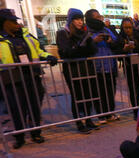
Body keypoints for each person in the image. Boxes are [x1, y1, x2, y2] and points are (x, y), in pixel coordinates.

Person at [0, 8, 58, 149]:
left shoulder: (27, 36)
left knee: (35, 106)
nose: (17, 24)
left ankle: (35, 133)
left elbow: (38, 51)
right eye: (12, 21)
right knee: (17, 109)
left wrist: (47, 56)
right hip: (11, 79)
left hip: (32, 76)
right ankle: (19, 136)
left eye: (16, 21)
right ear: (3, 23)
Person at [57, 8, 99, 134]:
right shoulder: (63, 33)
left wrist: (83, 47)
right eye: (76, 19)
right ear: (71, 20)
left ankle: (88, 119)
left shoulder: (85, 32)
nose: (80, 22)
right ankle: (79, 122)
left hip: (87, 68)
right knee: (77, 96)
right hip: (73, 70)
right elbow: (66, 52)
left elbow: (93, 50)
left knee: (88, 95)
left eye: (81, 19)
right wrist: (81, 48)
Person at [85, 9, 120, 123]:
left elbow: (116, 42)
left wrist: (110, 41)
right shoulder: (87, 31)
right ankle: (101, 115)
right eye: (97, 17)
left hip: (110, 66)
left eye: (100, 16)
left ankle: (110, 113)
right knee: (98, 92)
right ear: (90, 19)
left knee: (110, 91)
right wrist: (93, 41)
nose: (100, 18)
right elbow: (83, 46)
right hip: (96, 68)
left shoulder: (106, 29)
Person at [118, 18, 139, 111]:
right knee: (133, 89)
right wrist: (124, 50)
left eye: (129, 27)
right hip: (129, 67)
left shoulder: (138, 35)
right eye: (125, 28)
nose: (128, 30)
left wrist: (136, 47)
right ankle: (136, 110)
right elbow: (118, 54)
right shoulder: (120, 37)